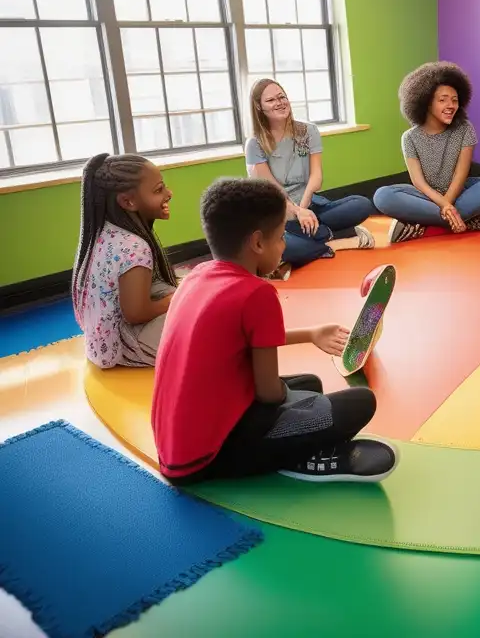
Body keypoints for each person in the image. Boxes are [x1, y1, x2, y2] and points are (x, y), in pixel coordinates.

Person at [152, 177, 397, 484]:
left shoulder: (195, 276)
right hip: (209, 457)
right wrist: (295, 404)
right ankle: (302, 456)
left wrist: (310, 334)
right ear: (257, 242)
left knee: (309, 383)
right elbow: (268, 393)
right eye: (281, 237)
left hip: (176, 445)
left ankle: (292, 435)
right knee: (361, 401)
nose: (283, 246)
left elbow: (238, 340)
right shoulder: (257, 293)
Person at [245, 78, 374, 279]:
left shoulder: (308, 131)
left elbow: (316, 177)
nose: (279, 102)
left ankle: (312, 238)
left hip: (309, 203)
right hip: (277, 210)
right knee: (284, 246)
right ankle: (337, 241)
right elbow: (272, 190)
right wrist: (296, 211)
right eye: (271, 100)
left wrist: (304, 209)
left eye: (282, 97)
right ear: (259, 107)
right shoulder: (255, 143)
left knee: (362, 204)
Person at [373, 62, 480, 243]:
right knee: (382, 196)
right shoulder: (409, 137)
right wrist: (445, 206)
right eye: (442, 100)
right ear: (426, 102)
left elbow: (461, 174)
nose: (451, 105)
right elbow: (418, 182)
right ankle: (472, 220)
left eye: (455, 100)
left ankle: (421, 226)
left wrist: (447, 202)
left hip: (458, 191)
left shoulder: (465, 129)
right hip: (425, 195)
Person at [71, 153, 177, 369]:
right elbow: (136, 313)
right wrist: (176, 299)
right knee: (201, 327)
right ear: (128, 201)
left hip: (105, 337)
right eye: (158, 190)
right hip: (122, 346)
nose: (169, 193)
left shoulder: (107, 230)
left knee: (185, 293)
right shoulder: (135, 247)